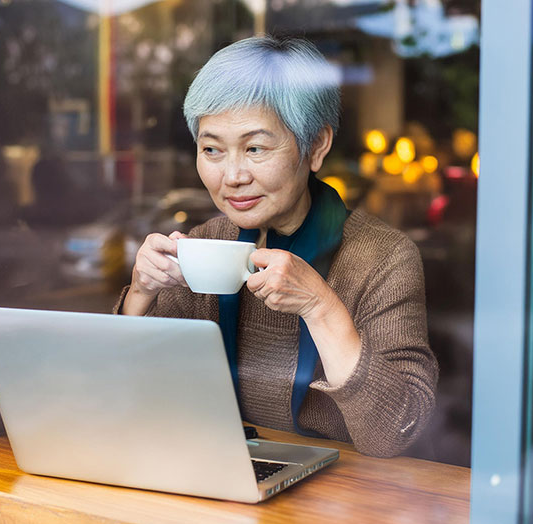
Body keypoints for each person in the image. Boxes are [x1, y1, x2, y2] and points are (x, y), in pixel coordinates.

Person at [116, 36, 438, 458]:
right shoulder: (203, 246)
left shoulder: (382, 258)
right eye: (211, 149)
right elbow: (125, 397)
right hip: (214, 473)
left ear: (317, 146)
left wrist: (321, 308)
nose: (231, 175)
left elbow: (395, 431)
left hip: (339, 500)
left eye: (255, 148)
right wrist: (141, 293)